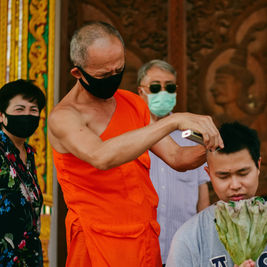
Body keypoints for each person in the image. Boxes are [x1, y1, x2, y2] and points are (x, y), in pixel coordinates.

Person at [47, 21, 223, 266]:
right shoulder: (64, 117)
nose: (113, 78)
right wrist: (173, 122)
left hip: (143, 239)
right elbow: (101, 156)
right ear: (78, 73)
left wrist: (214, 145)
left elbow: (178, 158)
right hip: (97, 242)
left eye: (118, 70)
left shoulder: (131, 103)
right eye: (104, 75)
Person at [166, 122, 267, 267]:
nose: (235, 185)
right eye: (223, 176)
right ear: (209, 174)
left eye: (243, 173)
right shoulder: (190, 237)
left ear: (258, 166)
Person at [137, 59, 210, 265]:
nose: (163, 92)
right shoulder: (130, 136)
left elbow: (203, 199)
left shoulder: (191, 138)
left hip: (183, 251)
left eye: (169, 87)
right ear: (140, 91)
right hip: (139, 251)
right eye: (154, 87)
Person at [0, 79, 46, 266]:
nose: (27, 115)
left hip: (28, 257)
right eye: (19, 109)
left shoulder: (29, 154)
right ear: (2, 116)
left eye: (33, 110)